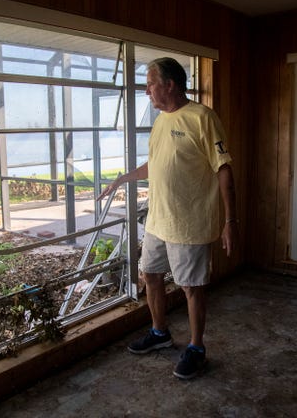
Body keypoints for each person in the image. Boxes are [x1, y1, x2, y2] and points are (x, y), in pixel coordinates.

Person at [98, 57, 237, 379]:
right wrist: (123, 178)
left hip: (190, 222)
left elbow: (224, 169)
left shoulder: (202, 117)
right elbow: (156, 164)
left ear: (170, 85)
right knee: (150, 275)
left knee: (192, 288)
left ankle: (196, 348)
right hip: (158, 220)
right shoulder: (161, 121)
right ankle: (160, 333)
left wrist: (231, 222)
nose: (147, 90)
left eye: (150, 84)